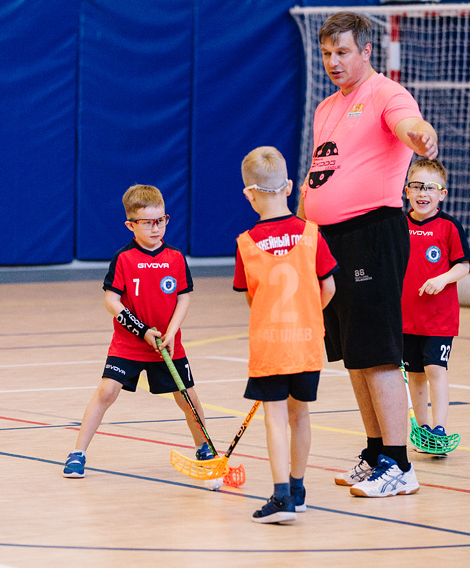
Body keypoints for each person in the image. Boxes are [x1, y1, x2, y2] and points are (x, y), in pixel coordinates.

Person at [297, 11, 439, 498]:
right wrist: (303, 235)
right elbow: (319, 175)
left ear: (366, 51)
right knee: (354, 356)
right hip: (328, 240)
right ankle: (377, 453)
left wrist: (419, 133)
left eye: (342, 52)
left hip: (371, 235)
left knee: (377, 353)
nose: (333, 61)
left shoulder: (385, 93)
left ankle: (400, 466)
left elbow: (408, 123)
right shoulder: (326, 107)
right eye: (326, 53)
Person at [63, 184, 216, 479]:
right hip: (129, 344)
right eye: (147, 223)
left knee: (187, 397)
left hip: (167, 345)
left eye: (161, 220)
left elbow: (183, 297)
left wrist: (171, 332)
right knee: (107, 391)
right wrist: (143, 330)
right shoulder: (124, 258)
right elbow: (111, 301)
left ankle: (204, 447)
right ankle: (77, 453)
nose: (156, 228)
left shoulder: (175, 257)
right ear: (130, 225)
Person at [234, 147, 337, 523]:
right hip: (306, 343)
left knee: (275, 418)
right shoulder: (312, 234)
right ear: (290, 187)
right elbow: (329, 288)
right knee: (300, 414)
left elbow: (252, 296)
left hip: (269, 347)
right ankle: (297, 489)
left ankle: (281, 499)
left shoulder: (246, 243)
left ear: (249, 194)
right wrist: (307, 315)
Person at [402, 158, 470, 446]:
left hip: (438, 318)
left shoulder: (449, 226)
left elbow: (463, 265)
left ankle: (439, 428)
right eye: (417, 186)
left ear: (442, 194)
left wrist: (443, 279)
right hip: (405, 318)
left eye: (430, 187)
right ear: (407, 191)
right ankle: (423, 430)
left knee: (435, 369)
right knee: (415, 375)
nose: (423, 193)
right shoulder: (398, 225)